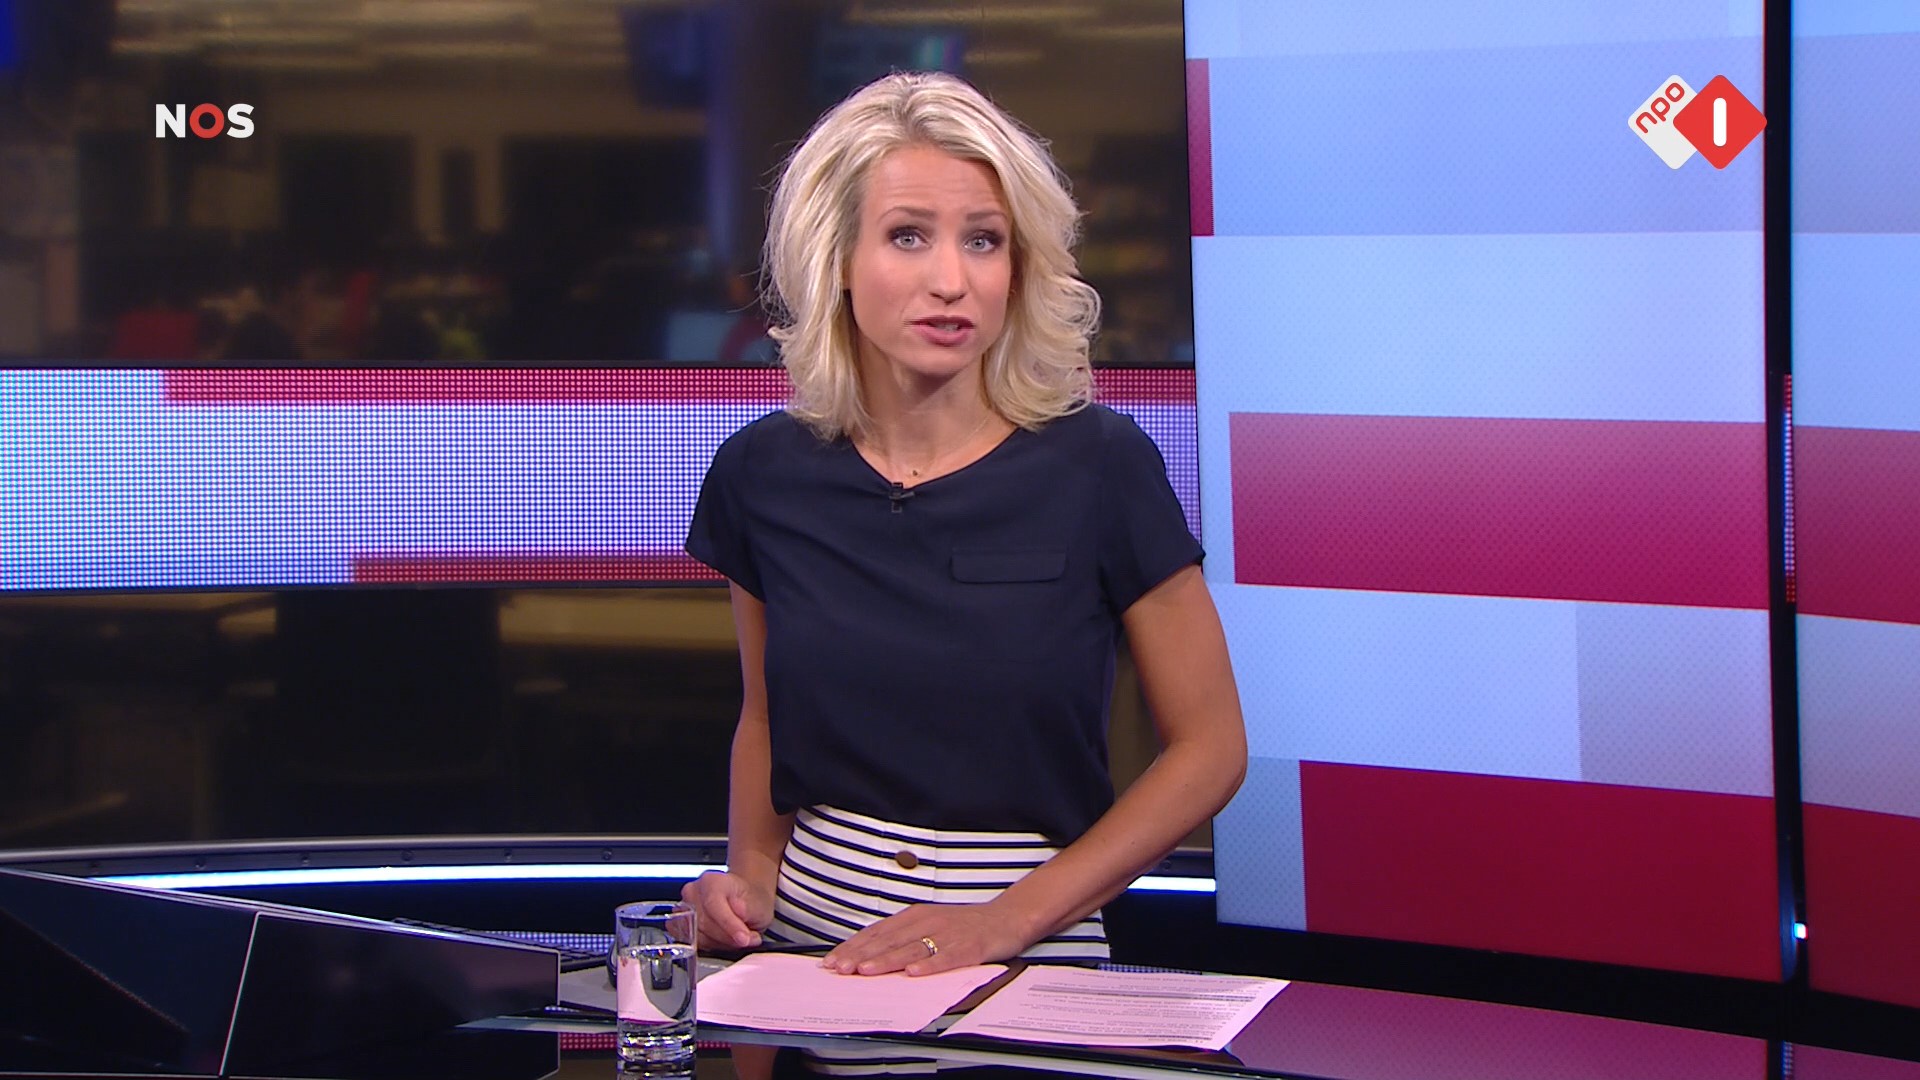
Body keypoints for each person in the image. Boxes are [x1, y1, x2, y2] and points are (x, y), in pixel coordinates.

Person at [682, 71, 1246, 1076]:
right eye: (908, 236)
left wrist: (1002, 921)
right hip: (812, 969)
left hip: (1029, 960)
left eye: (983, 241)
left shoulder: (1102, 466)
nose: (952, 279)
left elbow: (1210, 750)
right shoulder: (763, 473)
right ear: (835, 259)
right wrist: (749, 887)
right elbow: (766, 718)